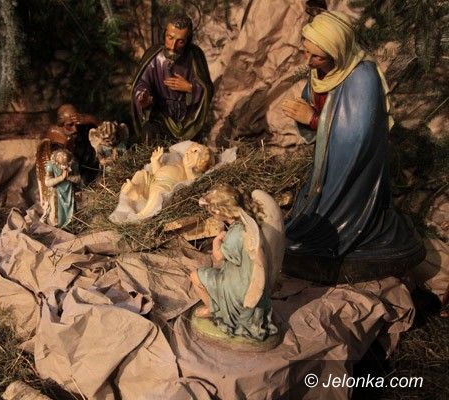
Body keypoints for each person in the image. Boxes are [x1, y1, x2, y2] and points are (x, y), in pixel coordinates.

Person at [280, 11, 424, 279]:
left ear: (337, 52)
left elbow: (356, 137)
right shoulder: (322, 70)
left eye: (317, 56)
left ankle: (339, 240)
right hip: (327, 165)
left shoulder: (363, 78)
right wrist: (306, 112)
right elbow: (323, 107)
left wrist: (312, 119)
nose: (308, 61)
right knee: (302, 223)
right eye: (305, 52)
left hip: (356, 171)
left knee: (327, 228)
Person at [189, 184, 279, 340]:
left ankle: (214, 310)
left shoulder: (236, 233)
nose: (211, 215)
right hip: (243, 278)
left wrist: (217, 240)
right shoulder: (246, 222)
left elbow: (218, 256)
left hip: (239, 289)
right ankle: (217, 306)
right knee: (212, 274)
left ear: (221, 211)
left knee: (195, 276)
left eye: (212, 212)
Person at [131, 13, 213, 142]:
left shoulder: (195, 56)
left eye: (180, 41)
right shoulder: (154, 56)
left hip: (188, 120)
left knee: (192, 149)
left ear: (188, 40)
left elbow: (208, 88)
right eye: (170, 38)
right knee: (149, 135)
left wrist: (190, 88)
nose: (172, 46)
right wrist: (142, 97)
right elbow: (141, 83)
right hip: (161, 116)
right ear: (165, 33)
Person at [120, 142, 213, 219]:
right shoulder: (178, 163)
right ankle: (135, 188)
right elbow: (158, 172)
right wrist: (155, 161)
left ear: (202, 161)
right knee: (141, 174)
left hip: (165, 185)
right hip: (153, 180)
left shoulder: (192, 172)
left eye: (195, 151)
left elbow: (192, 183)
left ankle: (142, 215)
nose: (188, 152)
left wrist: (189, 168)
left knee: (157, 192)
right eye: (189, 150)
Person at [41, 104, 101, 184]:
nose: (75, 129)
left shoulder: (81, 129)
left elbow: (100, 126)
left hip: (87, 170)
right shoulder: (55, 134)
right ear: (61, 124)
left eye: (76, 124)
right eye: (70, 125)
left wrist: (87, 119)